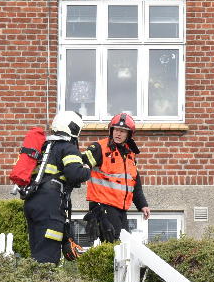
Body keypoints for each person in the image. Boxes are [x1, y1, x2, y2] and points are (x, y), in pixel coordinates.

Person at [23, 111, 90, 264]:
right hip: (50, 205)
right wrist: (86, 168)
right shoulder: (67, 147)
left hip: (32, 202)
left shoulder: (44, 146)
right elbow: (75, 174)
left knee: (37, 252)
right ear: (73, 129)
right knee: (48, 257)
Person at [82, 113, 150, 242]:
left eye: (123, 131)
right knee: (115, 244)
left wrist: (143, 205)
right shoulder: (99, 148)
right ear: (111, 130)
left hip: (121, 209)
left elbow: (134, 183)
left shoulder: (130, 154)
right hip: (104, 207)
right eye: (116, 130)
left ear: (128, 135)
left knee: (123, 246)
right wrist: (95, 210)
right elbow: (79, 166)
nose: (118, 134)